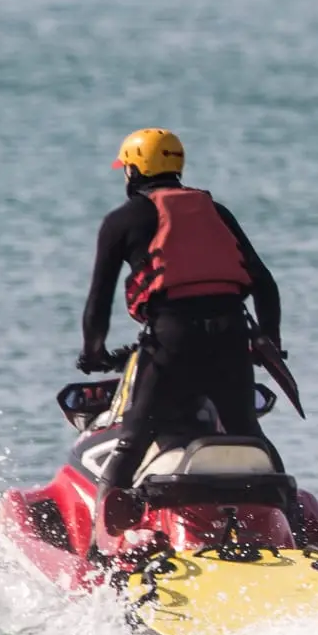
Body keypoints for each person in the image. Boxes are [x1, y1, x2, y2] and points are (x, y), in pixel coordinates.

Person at [78, 127, 283, 551]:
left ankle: (100, 551)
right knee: (247, 434)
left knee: (132, 441)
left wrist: (93, 352)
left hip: (172, 340)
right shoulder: (216, 212)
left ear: (133, 170)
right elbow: (264, 284)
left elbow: (98, 299)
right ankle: (291, 529)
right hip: (230, 338)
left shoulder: (122, 220)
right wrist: (269, 341)